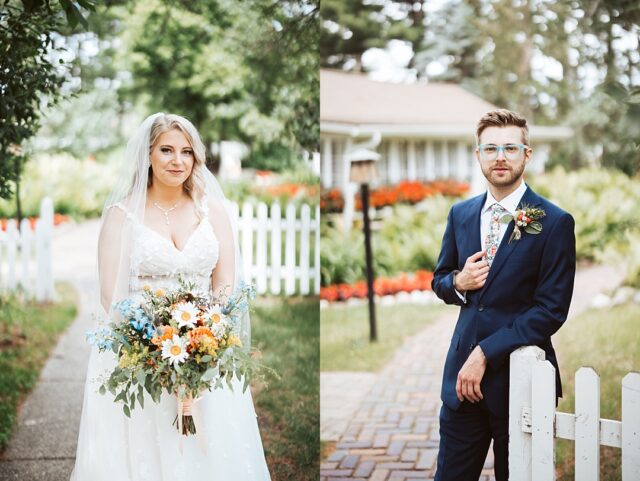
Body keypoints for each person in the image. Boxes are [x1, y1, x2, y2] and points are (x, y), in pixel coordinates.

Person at [70, 113, 271, 481]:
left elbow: (224, 281)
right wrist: (151, 344)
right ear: (147, 155)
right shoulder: (121, 216)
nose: (178, 161)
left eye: (186, 152)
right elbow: (108, 293)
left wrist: (206, 334)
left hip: (205, 346)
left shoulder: (213, 211)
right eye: (166, 150)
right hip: (139, 351)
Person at [431, 109, 576, 480]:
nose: (500, 157)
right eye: (491, 148)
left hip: (521, 382)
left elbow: (551, 309)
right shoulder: (460, 213)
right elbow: (440, 279)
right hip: (462, 381)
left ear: (527, 155)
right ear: (478, 155)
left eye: (510, 148)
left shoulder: (554, 222)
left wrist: (486, 352)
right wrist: (458, 283)